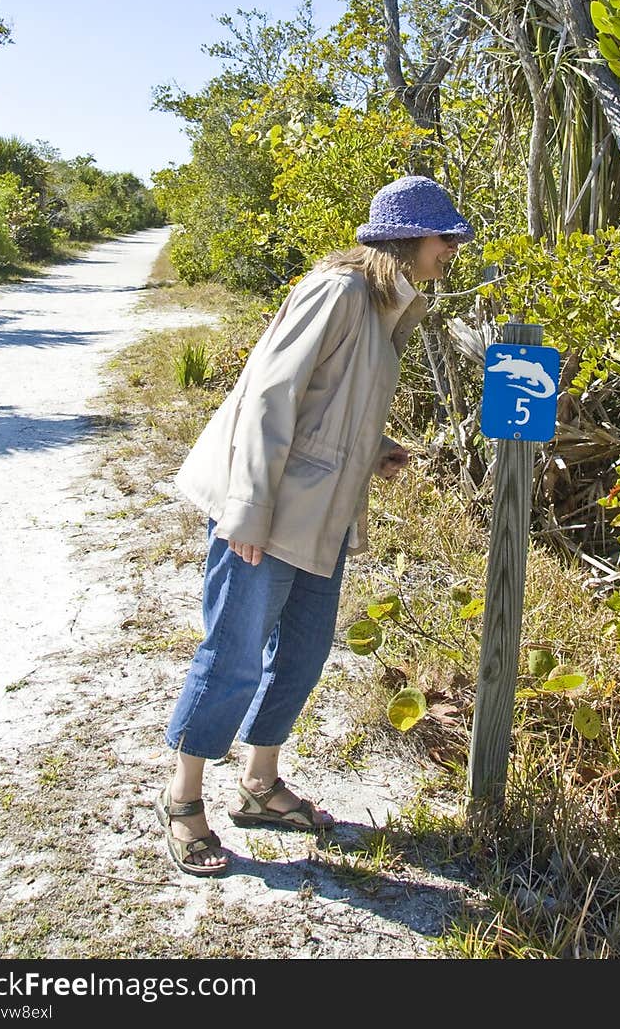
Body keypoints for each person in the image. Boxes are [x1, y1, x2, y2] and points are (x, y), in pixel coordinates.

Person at [154, 175, 475, 875]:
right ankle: (183, 800)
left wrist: (374, 446)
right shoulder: (339, 290)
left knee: (300, 654)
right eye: (444, 236)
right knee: (233, 654)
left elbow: (332, 402)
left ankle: (260, 787)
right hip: (265, 511)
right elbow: (269, 395)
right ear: (408, 237)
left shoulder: (387, 307)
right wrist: (246, 509)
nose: (452, 248)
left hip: (319, 518)